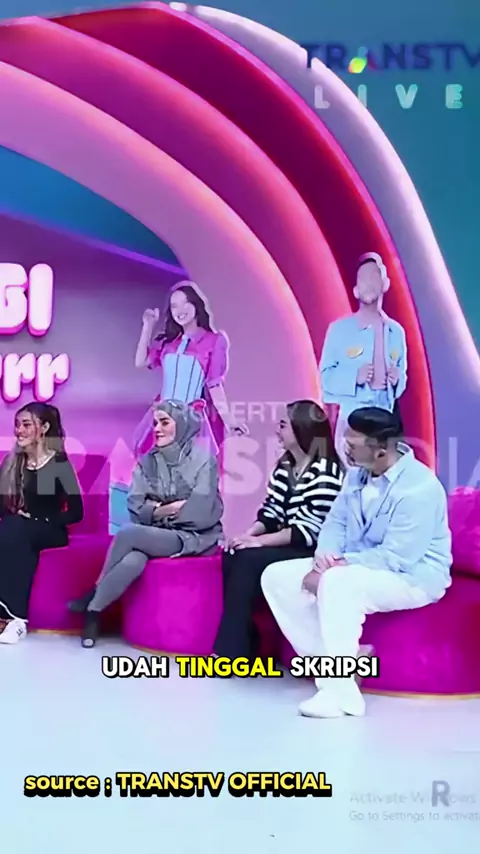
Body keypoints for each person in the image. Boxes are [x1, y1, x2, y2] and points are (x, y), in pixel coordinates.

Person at [261, 407, 452, 718]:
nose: (345, 449)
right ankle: (343, 671)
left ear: (380, 450)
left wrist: (335, 568)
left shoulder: (419, 488)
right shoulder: (356, 476)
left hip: (412, 575)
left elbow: (396, 557)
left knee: (338, 583)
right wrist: (323, 559)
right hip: (355, 564)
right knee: (277, 576)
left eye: (352, 444)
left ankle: (339, 696)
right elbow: (335, 523)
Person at [70, 400, 224, 648]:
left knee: (128, 534)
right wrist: (167, 508)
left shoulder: (204, 461)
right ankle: (93, 612)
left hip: (195, 538)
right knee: (134, 559)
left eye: (164, 422)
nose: (157, 429)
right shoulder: (148, 461)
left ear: (182, 424)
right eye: (155, 423)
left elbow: (200, 512)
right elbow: (135, 507)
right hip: (156, 534)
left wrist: (155, 510)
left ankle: (94, 591)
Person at [213, 400, 343, 660]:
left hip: (313, 549)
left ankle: (230, 652)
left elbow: (307, 530)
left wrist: (260, 543)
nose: (277, 430)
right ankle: (245, 642)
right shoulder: (286, 466)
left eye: (283, 425)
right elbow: (271, 512)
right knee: (234, 552)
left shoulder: (326, 471)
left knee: (249, 560)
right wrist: (248, 536)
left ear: (301, 429)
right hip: (288, 540)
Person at [0, 402, 83, 645]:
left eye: (26, 425)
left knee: (15, 529)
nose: (19, 430)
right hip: (18, 528)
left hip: (50, 529)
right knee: (14, 530)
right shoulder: (11, 463)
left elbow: (76, 513)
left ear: (44, 428)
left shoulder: (59, 465)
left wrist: (41, 519)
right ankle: (10, 617)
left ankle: (16, 619)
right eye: (17, 425)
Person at [133, 280, 246, 457]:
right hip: (163, 416)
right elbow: (141, 361)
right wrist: (148, 326)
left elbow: (215, 386)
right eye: (174, 306)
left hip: (190, 419)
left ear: (196, 305)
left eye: (185, 303)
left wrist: (230, 421)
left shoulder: (214, 341)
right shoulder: (170, 343)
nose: (180, 310)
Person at [319, 253, 407, 462]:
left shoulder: (396, 332)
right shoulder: (339, 330)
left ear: (385, 283)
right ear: (355, 290)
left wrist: (397, 379)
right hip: (353, 422)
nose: (369, 283)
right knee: (354, 475)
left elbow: (402, 375)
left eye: (374, 276)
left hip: (385, 422)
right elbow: (325, 379)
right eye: (363, 279)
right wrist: (353, 377)